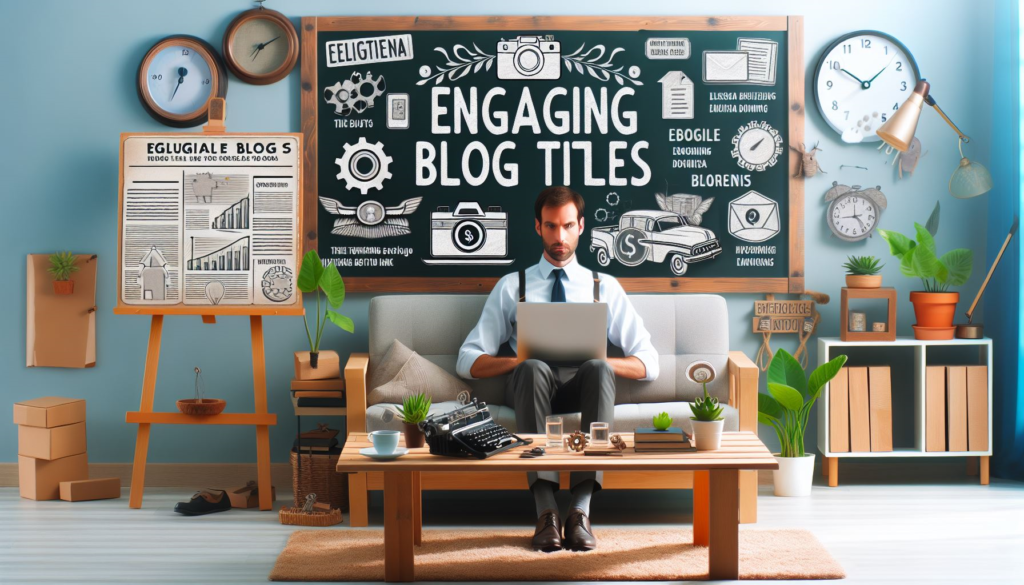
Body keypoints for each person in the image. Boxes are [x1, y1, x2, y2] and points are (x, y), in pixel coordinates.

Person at [456, 186, 658, 552]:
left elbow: (650, 363)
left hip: (585, 385)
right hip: (532, 385)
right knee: (532, 367)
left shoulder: (604, 286)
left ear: (581, 226)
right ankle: (546, 512)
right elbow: (467, 360)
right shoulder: (511, 286)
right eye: (550, 227)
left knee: (598, 367)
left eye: (567, 226)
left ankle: (580, 512)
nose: (559, 237)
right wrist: (518, 359)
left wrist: (597, 356)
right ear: (537, 228)